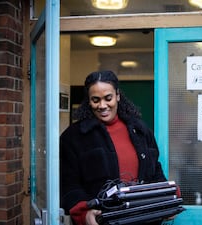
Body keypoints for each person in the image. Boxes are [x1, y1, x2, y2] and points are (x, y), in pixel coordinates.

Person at [60, 70, 168, 225]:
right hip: (102, 220)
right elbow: (68, 184)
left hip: (144, 219)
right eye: (95, 100)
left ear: (117, 95)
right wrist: (84, 213)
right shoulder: (73, 137)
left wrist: (167, 199)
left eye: (108, 98)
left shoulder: (140, 130)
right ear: (88, 101)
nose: (102, 106)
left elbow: (155, 171)